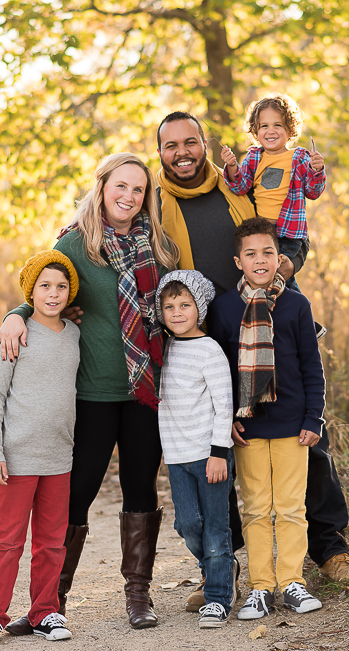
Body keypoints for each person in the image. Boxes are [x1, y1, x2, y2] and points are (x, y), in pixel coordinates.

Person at [154, 113, 349, 611]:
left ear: (204, 144)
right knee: (222, 453)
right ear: (160, 151)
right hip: (208, 339)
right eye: (171, 146)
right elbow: (97, 224)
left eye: (191, 142)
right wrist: (23, 309)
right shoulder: (152, 202)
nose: (182, 152)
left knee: (307, 441)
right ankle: (223, 567)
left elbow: (290, 229)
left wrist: (289, 264)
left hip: (268, 321)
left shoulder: (238, 185)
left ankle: (329, 548)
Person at [0, 153, 177, 632]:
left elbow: (179, 301)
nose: (129, 197)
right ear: (102, 187)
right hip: (91, 393)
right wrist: (15, 314)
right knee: (75, 497)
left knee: (141, 489)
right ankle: (51, 602)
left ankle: (139, 595)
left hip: (144, 389)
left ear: (146, 197)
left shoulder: (159, 245)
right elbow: (43, 284)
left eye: (138, 190)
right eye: (121, 186)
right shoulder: (76, 243)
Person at [208, 216, 326, 619]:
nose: (260, 260)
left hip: (294, 426)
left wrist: (314, 418)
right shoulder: (224, 308)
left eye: (268, 253)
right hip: (249, 426)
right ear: (238, 261)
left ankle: (292, 581)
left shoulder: (296, 304)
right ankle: (260, 586)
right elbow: (220, 371)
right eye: (251, 254)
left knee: (291, 507)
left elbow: (312, 366)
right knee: (256, 508)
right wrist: (226, 420)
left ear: (280, 258)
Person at [0, 251, 81, 645]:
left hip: (58, 458)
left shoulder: (74, 334)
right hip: (16, 458)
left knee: (52, 543)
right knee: (7, 540)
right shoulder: (14, 333)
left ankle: (45, 611)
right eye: (45, 286)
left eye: (61, 287)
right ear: (31, 291)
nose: (53, 294)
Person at [155, 269, 238, 629]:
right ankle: (218, 568)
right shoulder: (165, 349)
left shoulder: (209, 350)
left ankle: (218, 597)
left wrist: (220, 451)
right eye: (169, 306)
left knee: (216, 527)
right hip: (176, 457)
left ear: (199, 308)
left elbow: (224, 403)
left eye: (184, 305)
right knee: (187, 524)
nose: (176, 313)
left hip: (209, 454)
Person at [220, 93, 326, 293]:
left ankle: (300, 312)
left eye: (278, 125)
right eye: (264, 126)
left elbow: (313, 192)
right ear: (256, 130)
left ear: (290, 130)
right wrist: (232, 166)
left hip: (290, 231)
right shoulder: (253, 157)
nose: (271, 131)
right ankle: (271, 314)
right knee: (263, 277)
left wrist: (316, 170)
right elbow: (240, 187)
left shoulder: (300, 157)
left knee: (279, 274)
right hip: (262, 232)